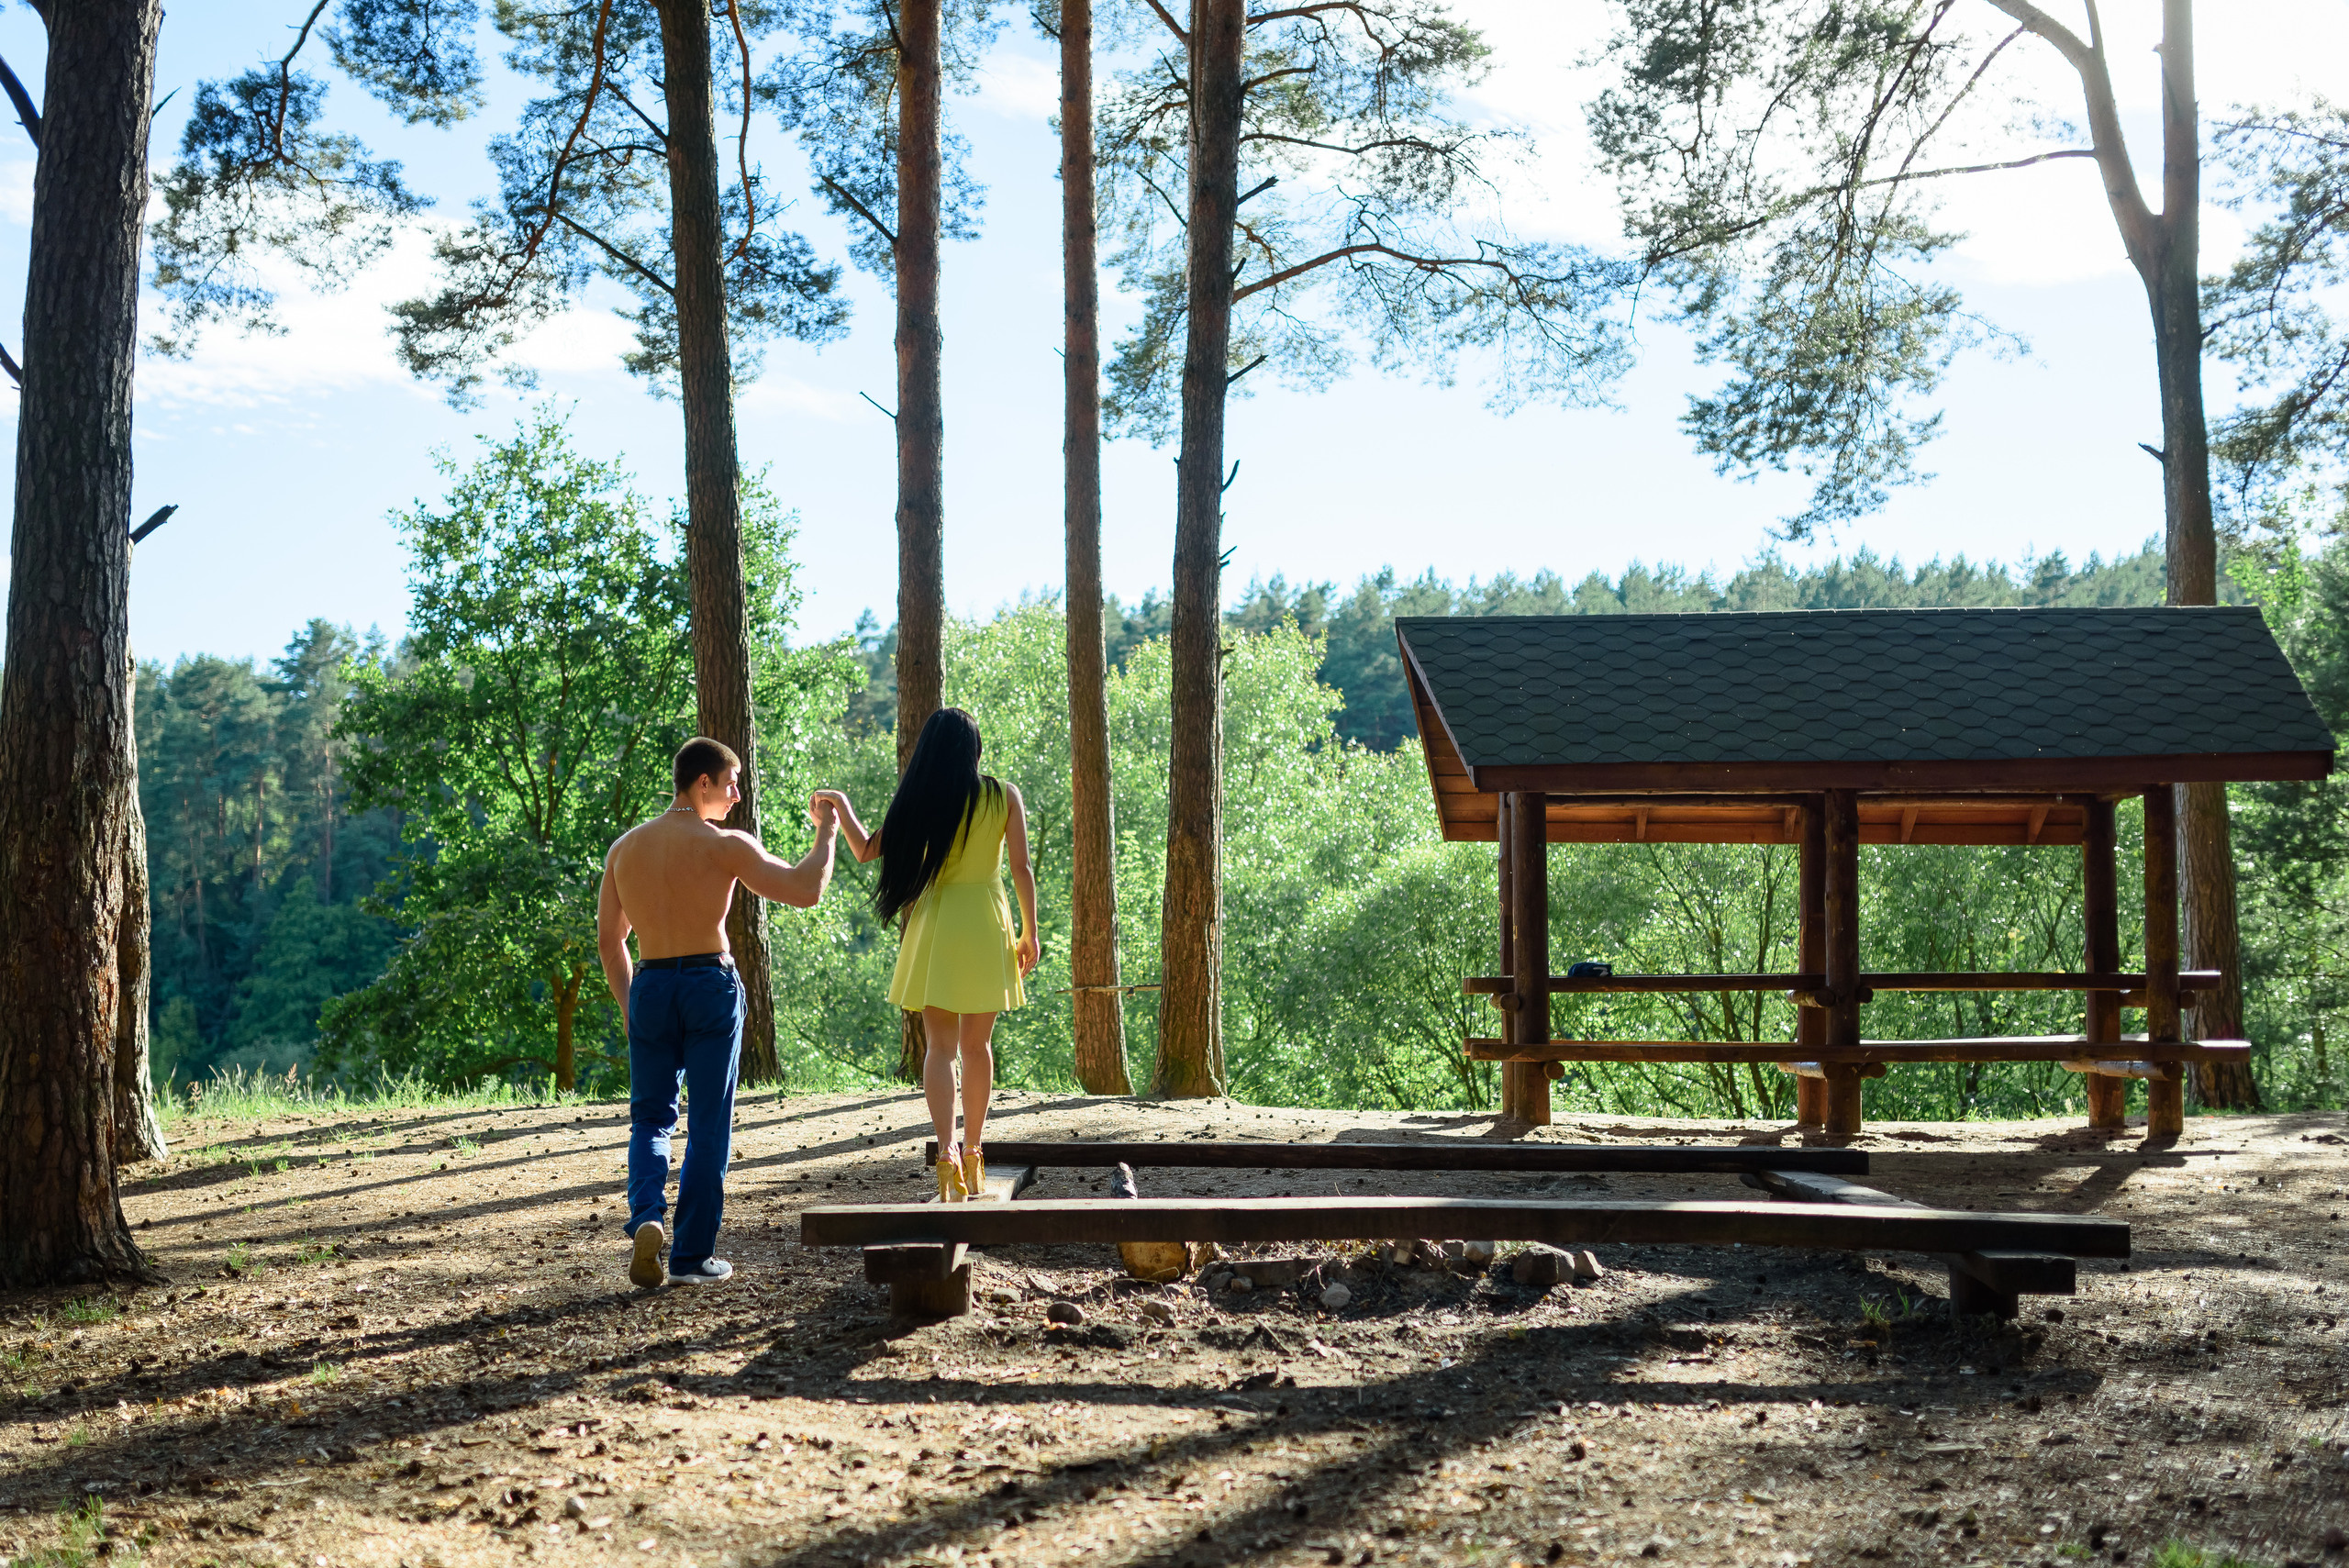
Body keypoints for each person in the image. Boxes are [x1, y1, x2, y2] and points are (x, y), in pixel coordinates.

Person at [597, 737, 838, 1288]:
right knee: (709, 1120)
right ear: (700, 782)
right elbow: (805, 889)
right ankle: (690, 1258)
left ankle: (647, 1219)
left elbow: (611, 944)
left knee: (651, 1117)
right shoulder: (725, 844)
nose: (736, 794)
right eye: (730, 782)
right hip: (709, 982)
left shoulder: (624, 850)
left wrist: (631, 1004)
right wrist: (826, 830)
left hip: (651, 984)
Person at [818, 707, 1038, 1203]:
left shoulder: (923, 795)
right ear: (974, 749)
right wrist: (1030, 931)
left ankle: (947, 1156)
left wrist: (841, 805)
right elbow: (1021, 868)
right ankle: (977, 1153)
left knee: (939, 1047)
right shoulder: (1002, 795)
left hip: (937, 923)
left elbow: (866, 849)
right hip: (985, 919)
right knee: (977, 1046)